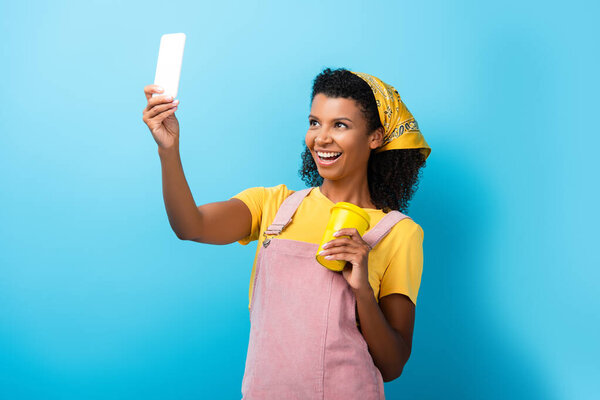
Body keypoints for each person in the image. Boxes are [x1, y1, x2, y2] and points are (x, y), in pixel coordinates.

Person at [142, 67, 431, 399]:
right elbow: (190, 226)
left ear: (375, 137)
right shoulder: (273, 206)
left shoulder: (397, 233)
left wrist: (362, 290)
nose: (321, 137)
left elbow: (393, 365)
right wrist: (168, 149)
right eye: (314, 122)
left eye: (340, 125)